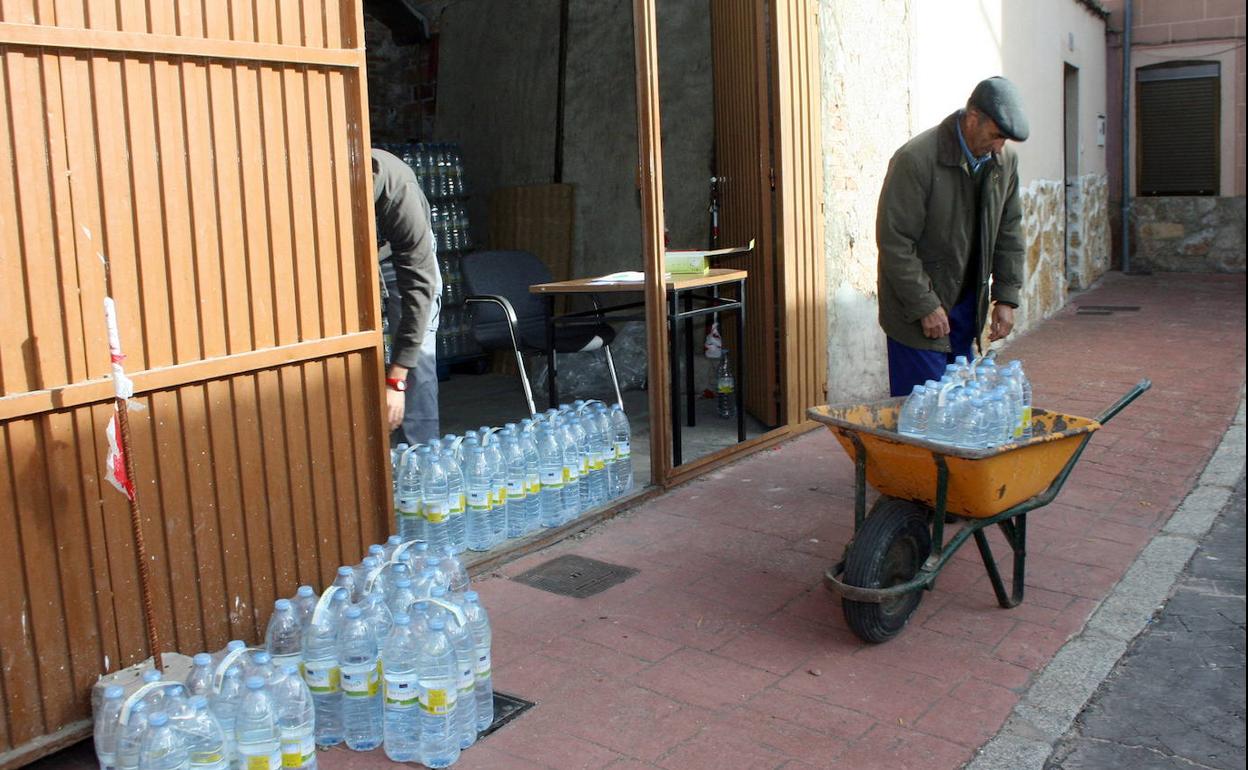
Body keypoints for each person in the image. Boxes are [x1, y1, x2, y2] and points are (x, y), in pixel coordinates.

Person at [876, 76, 1029, 397]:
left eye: (1005, 139)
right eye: (995, 135)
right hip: (917, 309)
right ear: (973, 118)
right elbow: (895, 241)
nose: (999, 146)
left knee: (956, 409)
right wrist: (924, 305)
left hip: (966, 308)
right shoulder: (915, 159)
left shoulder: (1005, 161)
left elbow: (1009, 230)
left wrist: (1006, 296)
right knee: (920, 413)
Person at [373, 147, 442, 445]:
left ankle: (422, 459)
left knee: (418, 359)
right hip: (355, 259)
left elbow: (419, 288)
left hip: (402, 259)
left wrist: (395, 380)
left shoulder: (395, 184)